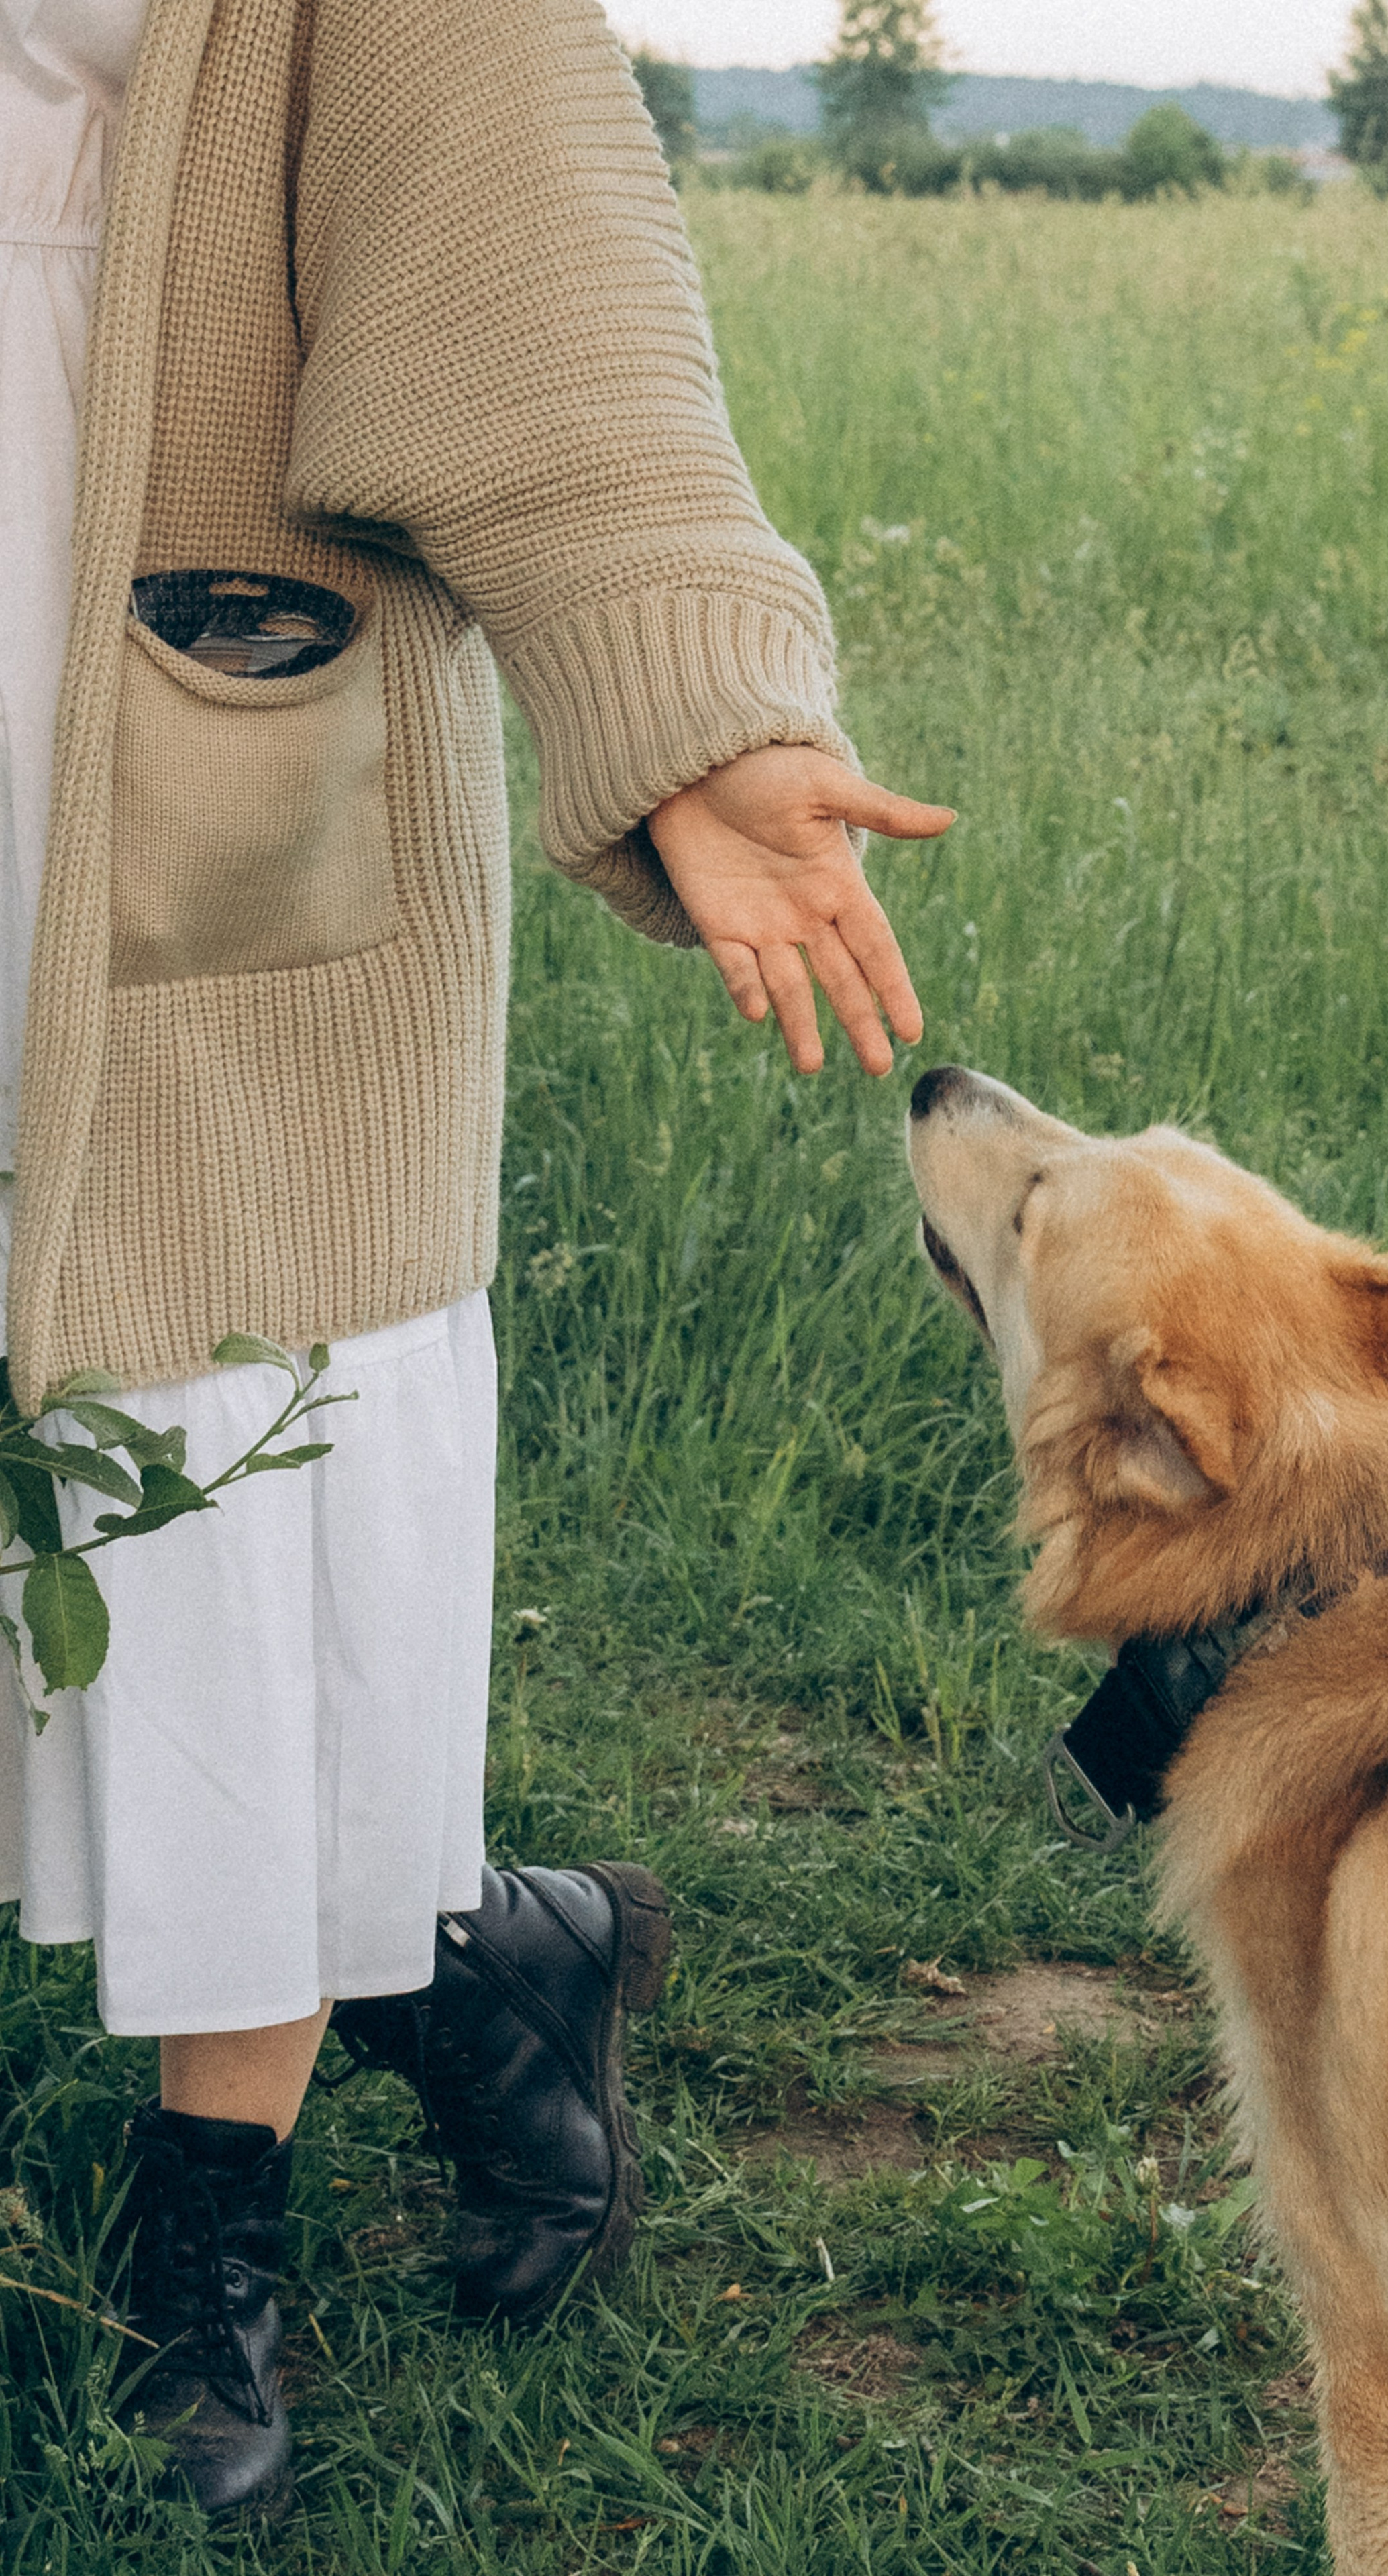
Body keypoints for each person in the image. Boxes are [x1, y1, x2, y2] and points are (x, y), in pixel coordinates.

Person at [0, 0, 953, 2515]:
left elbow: (535, 266)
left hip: (184, 704)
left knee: (225, 1457)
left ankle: (209, 2230)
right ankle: (473, 1960)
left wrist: (693, 700)